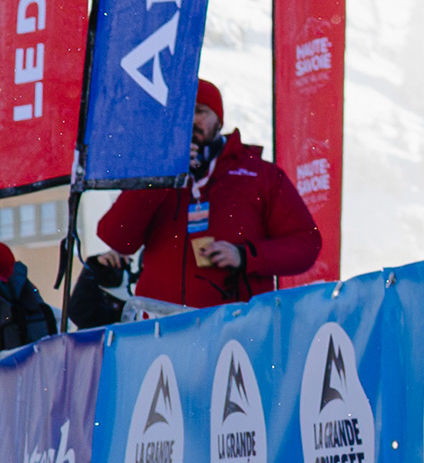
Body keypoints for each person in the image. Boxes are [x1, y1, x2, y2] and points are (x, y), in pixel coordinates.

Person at [88, 78, 323, 319]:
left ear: (219, 120)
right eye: (183, 112)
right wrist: (162, 176)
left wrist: (245, 255)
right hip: (160, 329)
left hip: (234, 330)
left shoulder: (260, 174)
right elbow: (115, 237)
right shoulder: (156, 173)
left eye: (200, 111)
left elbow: (306, 244)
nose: (191, 120)